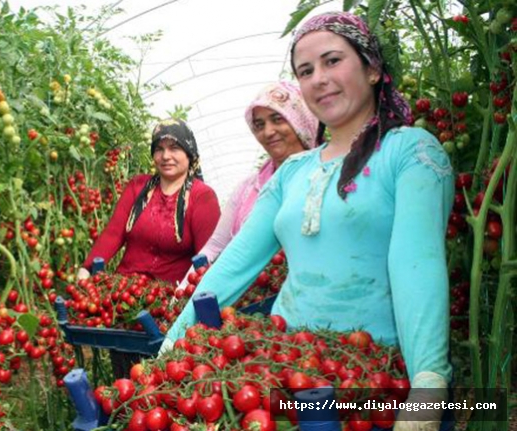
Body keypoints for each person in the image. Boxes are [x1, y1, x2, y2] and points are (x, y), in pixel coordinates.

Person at [163, 12, 453, 431]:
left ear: (372, 69)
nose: (318, 78)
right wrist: (175, 337)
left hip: (375, 377)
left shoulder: (409, 152)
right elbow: (235, 261)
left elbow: (417, 263)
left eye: (333, 61)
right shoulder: (292, 172)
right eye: (305, 70)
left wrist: (428, 379)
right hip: (288, 370)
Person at [176, 81, 318, 290]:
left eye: (278, 119)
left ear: (300, 120)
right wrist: (183, 293)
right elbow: (215, 246)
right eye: (259, 125)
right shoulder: (248, 189)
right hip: (251, 305)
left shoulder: (326, 175)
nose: (268, 132)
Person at [78, 118, 221, 285]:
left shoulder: (202, 197)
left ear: (189, 153)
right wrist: (86, 269)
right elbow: (113, 234)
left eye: (174, 148)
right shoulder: (138, 187)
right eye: (159, 149)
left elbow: (207, 257)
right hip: (124, 290)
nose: (165, 156)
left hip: (169, 298)